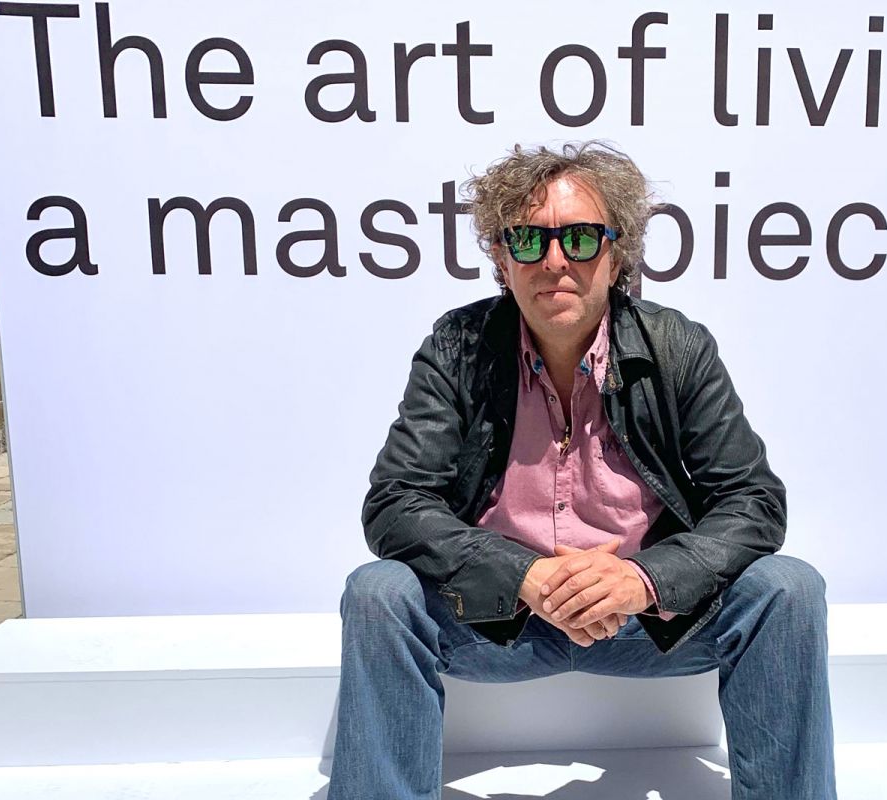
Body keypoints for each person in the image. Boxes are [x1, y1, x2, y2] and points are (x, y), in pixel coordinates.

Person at [327, 141, 836, 800]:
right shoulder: (456, 348)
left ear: (617, 255)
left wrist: (642, 579)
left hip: (646, 619)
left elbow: (753, 501)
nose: (556, 261)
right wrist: (523, 575)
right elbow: (396, 502)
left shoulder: (677, 346)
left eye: (581, 238)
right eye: (529, 241)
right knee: (378, 593)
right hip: (498, 617)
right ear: (502, 259)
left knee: (787, 587)